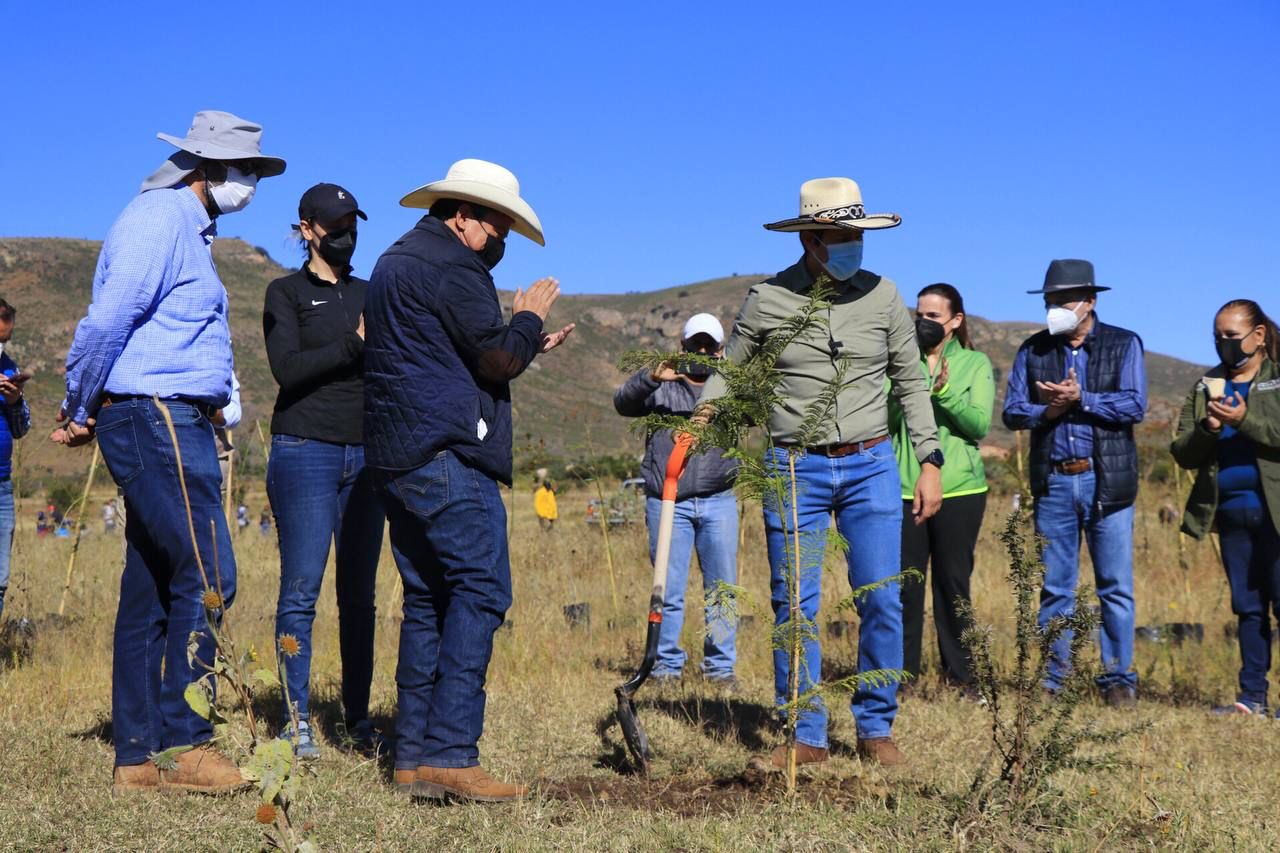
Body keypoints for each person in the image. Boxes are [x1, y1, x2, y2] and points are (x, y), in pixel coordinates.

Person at [52, 110, 284, 794]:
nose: (250, 183)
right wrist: (77, 402)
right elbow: (107, 318)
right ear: (204, 166)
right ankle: (185, 743)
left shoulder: (189, 229)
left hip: (167, 414)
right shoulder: (159, 220)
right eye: (245, 169)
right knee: (209, 570)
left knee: (154, 583)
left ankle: (136, 755)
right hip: (156, 415)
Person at [698, 177, 942, 769]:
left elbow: (909, 380)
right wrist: (703, 412)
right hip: (792, 468)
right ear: (810, 237)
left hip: (873, 464)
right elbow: (731, 369)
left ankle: (876, 727)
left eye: (857, 233)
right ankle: (804, 736)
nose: (852, 243)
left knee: (882, 598)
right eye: (840, 234)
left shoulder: (884, 296)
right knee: (795, 605)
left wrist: (929, 460)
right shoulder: (768, 298)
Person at [367, 159, 574, 802]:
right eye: (497, 224)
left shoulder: (396, 260)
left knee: (430, 597)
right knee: (481, 591)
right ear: (462, 214)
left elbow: (440, 352)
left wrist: (520, 340)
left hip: (397, 456)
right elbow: (498, 360)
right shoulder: (454, 267)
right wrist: (528, 318)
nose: (502, 238)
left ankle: (413, 758)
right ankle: (453, 753)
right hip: (448, 455)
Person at [263, 182, 385, 758]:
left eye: (352, 225)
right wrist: (355, 344)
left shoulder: (372, 292)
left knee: (359, 595)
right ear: (308, 229)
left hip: (367, 457)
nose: (346, 236)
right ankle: (296, 719)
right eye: (335, 227)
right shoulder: (283, 293)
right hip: (304, 450)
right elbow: (288, 369)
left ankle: (358, 720)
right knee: (302, 591)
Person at [1002, 259, 1146, 707]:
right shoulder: (1033, 350)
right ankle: (1053, 682)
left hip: (1108, 481)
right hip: (1055, 483)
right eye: (1049, 301)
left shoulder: (1124, 344)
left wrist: (1083, 398)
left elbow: (1134, 404)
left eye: (1063, 301)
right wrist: (1048, 412)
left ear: (1090, 301)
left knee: (1115, 586)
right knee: (1056, 586)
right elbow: (1011, 412)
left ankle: (1117, 679)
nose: (1055, 309)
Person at [614, 312, 739, 686]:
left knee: (721, 590)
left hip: (719, 499)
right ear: (682, 346)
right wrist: (651, 377)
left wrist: (737, 377)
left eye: (709, 346)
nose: (701, 351)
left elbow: (758, 412)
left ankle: (719, 669)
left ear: (719, 351)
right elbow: (622, 402)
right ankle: (665, 666)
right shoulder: (661, 386)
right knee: (666, 588)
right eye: (694, 344)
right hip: (667, 502)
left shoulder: (727, 388)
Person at [1171, 299, 1280, 716]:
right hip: (1232, 514)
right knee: (1248, 607)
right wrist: (1209, 428)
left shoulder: (1276, 379)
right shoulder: (1206, 386)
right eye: (1217, 337)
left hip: (1274, 512)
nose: (1224, 344)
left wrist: (1243, 421)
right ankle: (1251, 697)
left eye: (1232, 337)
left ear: (1258, 336)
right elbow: (1182, 451)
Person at [890, 284, 993, 692]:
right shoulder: (899, 362)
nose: (924, 323)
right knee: (905, 587)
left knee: (953, 584)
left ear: (955, 321)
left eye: (933, 316)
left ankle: (961, 679)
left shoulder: (975, 363)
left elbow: (979, 425)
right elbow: (881, 412)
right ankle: (902, 678)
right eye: (920, 314)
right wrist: (906, 387)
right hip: (901, 486)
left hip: (960, 490)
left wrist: (944, 393)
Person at [0, 299, 31, 620]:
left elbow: (22, 429)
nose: (1, 346)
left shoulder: (8, 366)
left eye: (5, 340)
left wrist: (14, 401)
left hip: (2, 485)